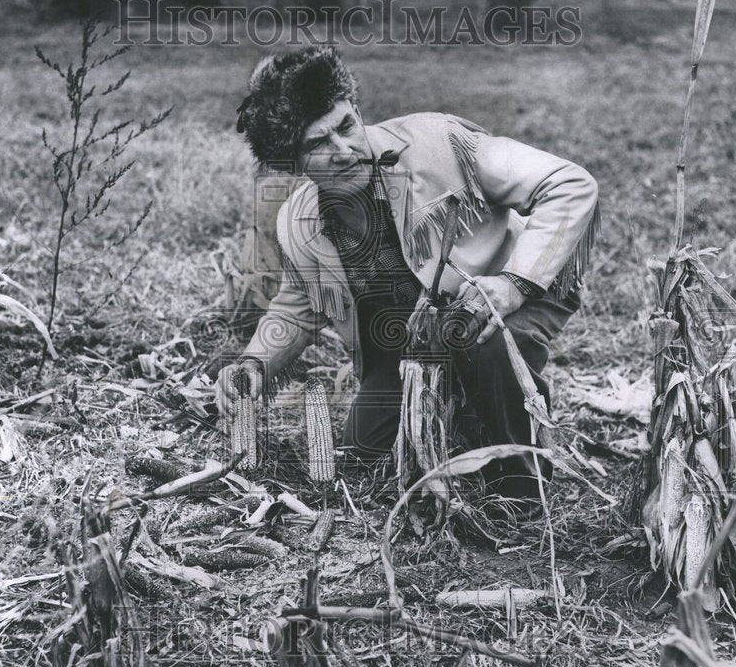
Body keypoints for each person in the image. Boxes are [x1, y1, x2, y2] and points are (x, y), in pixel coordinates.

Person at [216, 46, 599, 504]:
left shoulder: (440, 142)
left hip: (515, 292)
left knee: (485, 342)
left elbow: (569, 183)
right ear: (294, 163)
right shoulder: (300, 222)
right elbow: (298, 306)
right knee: (366, 447)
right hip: (413, 332)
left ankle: (521, 482)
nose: (344, 151)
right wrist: (255, 363)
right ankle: (465, 413)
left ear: (356, 111)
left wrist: (514, 283)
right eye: (318, 144)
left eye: (345, 126)